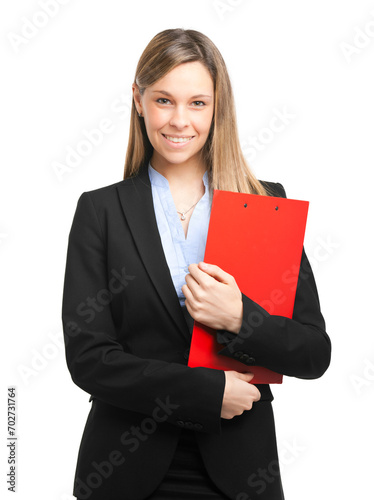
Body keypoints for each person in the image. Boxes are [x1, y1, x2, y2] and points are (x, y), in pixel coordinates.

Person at [61, 28, 331, 500]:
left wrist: (240, 319)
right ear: (138, 100)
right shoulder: (100, 211)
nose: (179, 120)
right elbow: (89, 360)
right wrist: (204, 394)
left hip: (241, 471)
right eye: (164, 100)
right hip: (123, 468)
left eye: (198, 103)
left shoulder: (265, 205)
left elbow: (313, 352)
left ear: (217, 106)